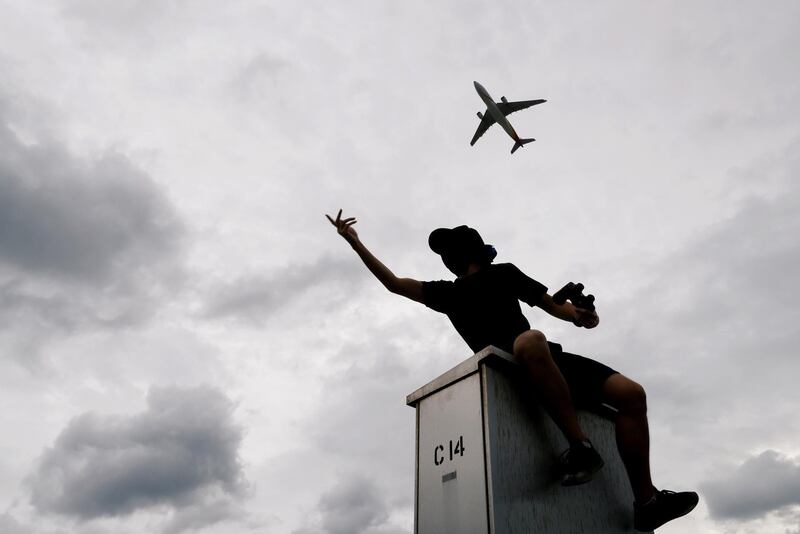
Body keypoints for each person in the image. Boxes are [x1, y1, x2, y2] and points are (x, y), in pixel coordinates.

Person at [326, 210, 698, 532]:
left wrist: (582, 315)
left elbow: (555, 306)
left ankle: (647, 503)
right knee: (528, 339)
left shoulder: (504, 273)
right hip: (510, 364)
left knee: (632, 395)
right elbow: (394, 284)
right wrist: (355, 243)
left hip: (548, 361)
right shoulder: (448, 294)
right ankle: (581, 447)